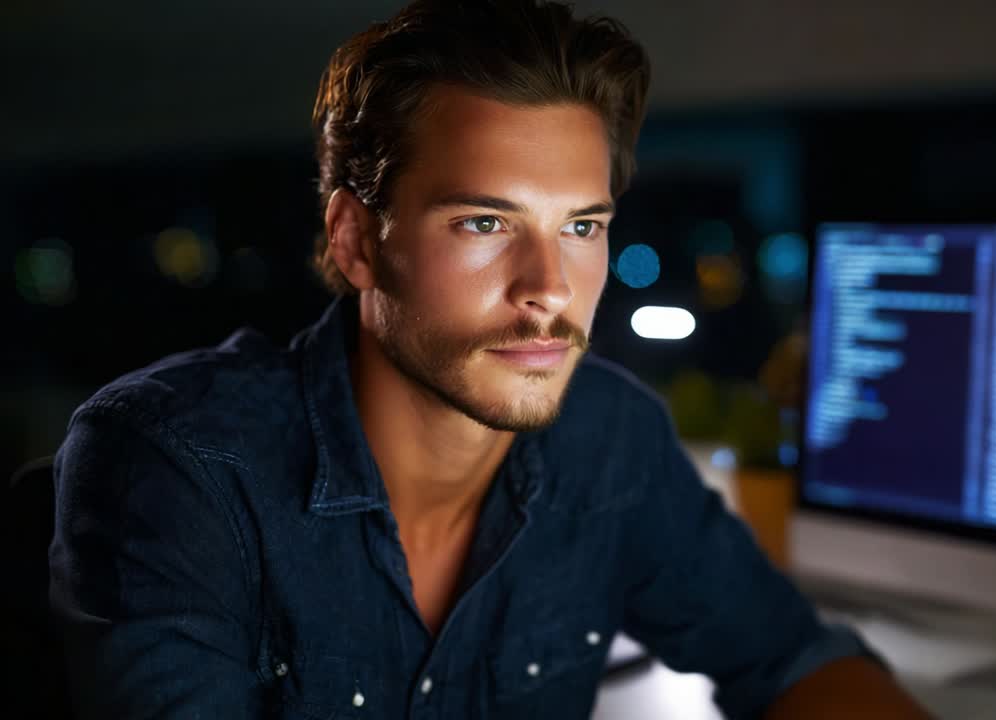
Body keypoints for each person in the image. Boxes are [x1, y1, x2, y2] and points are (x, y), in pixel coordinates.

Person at [48, 1, 929, 717]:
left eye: (580, 227)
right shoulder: (180, 463)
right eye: (485, 223)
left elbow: (789, 658)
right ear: (356, 240)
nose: (548, 286)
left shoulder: (611, 437)